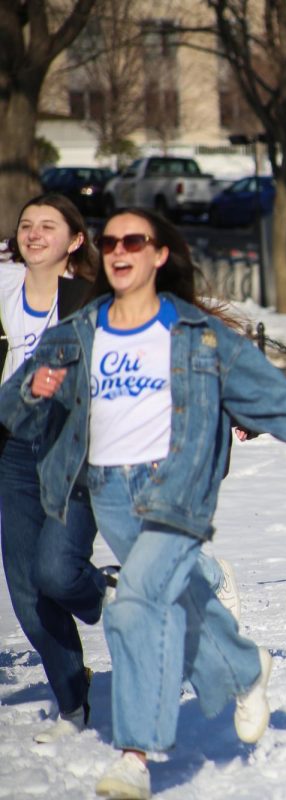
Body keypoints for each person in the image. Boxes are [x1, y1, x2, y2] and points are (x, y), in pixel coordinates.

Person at [0, 208, 286, 799]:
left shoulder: (197, 333)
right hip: (108, 492)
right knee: (178, 596)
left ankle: (134, 757)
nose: (120, 250)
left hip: (174, 490)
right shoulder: (79, 330)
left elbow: (268, 397)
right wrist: (31, 393)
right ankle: (246, 669)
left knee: (137, 605)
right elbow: (13, 407)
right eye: (112, 240)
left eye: (134, 240)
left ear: (159, 254)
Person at [0, 193, 105, 744]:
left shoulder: (92, 303)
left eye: (48, 226)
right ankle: (72, 700)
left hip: (74, 450)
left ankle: (112, 594)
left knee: (56, 573)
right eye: (26, 225)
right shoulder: (3, 293)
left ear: (76, 240)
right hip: (14, 450)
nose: (34, 234)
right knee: (26, 594)